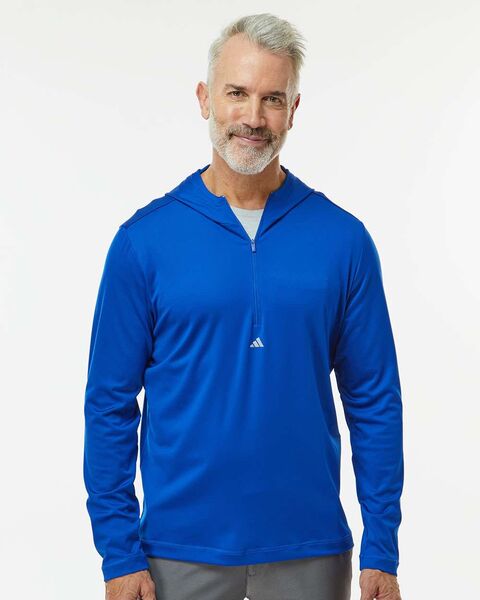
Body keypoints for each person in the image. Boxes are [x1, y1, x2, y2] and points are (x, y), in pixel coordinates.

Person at [83, 12, 403, 600]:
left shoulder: (343, 241)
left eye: (272, 98)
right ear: (205, 98)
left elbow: (375, 401)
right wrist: (118, 553)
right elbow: (109, 404)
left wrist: (381, 546)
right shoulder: (143, 242)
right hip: (176, 554)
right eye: (237, 93)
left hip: (311, 551)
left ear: (293, 109)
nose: (254, 117)